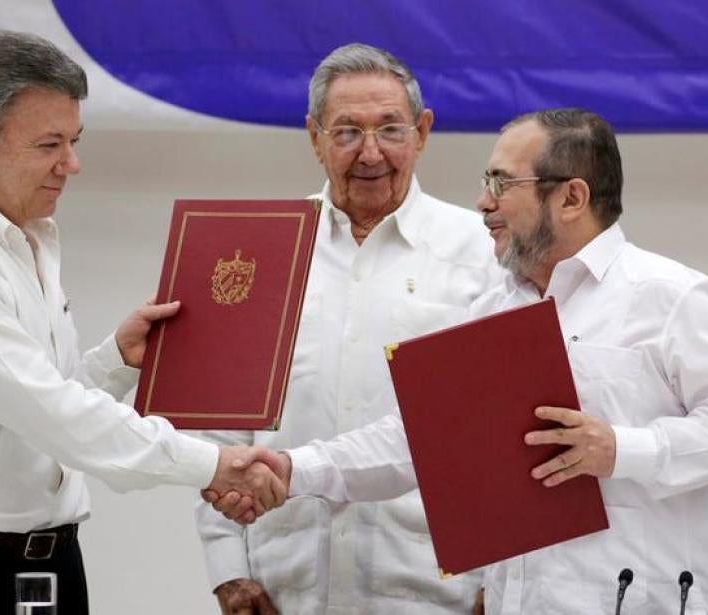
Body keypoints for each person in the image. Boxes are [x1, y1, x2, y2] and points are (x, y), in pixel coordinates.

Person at [211, 108, 708, 613]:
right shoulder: (492, 308)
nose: (483, 202)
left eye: (502, 183)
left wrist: (620, 449)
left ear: (572, 198)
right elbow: (418, 442)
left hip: (646, 598)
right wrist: (294, 469)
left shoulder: (670, 294)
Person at [0, 29, 285, 615]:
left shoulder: (29, 238)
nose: (72, 164)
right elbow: (49, 413)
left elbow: (29, 412)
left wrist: (113, 361)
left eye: (74, 140)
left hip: (42, 565)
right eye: (50, 144)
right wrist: (212, 464)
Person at [194, 43, 501, 614]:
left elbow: (501, 431)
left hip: (436, 592)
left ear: (423, 131)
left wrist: (500, 582)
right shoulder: (261, 250)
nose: (370, 153)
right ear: (314, 137)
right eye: (346, 132)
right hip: (283, 587)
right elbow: (222, 434)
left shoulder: (483, 254)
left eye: (390, 129)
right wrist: (227, 569)